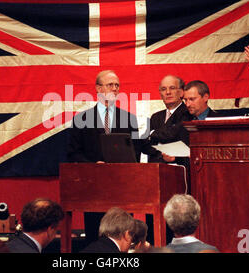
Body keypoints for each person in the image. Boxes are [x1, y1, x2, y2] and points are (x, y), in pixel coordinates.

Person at [67, 70, 160, 244]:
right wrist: (94, 164)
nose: (115, 89)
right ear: (98, 88)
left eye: (117, 85)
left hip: (122, 188)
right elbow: (74, 153)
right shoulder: (81, 119)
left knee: (122, 236)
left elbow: (136, 151)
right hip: (94, 188)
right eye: (110, 85)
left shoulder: (128, 119)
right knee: (95, 240)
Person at [148, 75, 193, 164]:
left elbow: (171, 135)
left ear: (181, 92)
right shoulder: (155, 117)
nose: (168, 92)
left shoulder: (188, 114)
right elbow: (147, 146)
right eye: (163, 89)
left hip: (180, 170)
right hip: (156, 169)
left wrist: (152, 133)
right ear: (160, 93)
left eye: (172, 88)